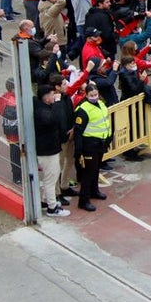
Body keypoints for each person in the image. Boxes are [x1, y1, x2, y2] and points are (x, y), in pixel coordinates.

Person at [33, 84, 70, 217]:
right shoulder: (43, 112)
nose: (54, 96)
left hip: (49, 148)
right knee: (51, 179)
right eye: (52, 94)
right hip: (47, 150)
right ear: (47, 97)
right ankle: (52, 208)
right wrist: (58, 103)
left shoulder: (40, 106)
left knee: (51, 177)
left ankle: (45, 201)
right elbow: (54, 118)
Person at [73, 83, 110, 212]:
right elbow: (78, 132)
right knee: (88, 173)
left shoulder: (101, 104)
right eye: (91, 95)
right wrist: (78, 150)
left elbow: (105, 122)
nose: (94, 97)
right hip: (89, 144)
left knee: (96, 170)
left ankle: (94, 191)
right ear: (86, 95)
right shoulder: (83, 109)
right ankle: (83, 200)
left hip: (101, 142)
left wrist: (108, 138)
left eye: (96, 94)